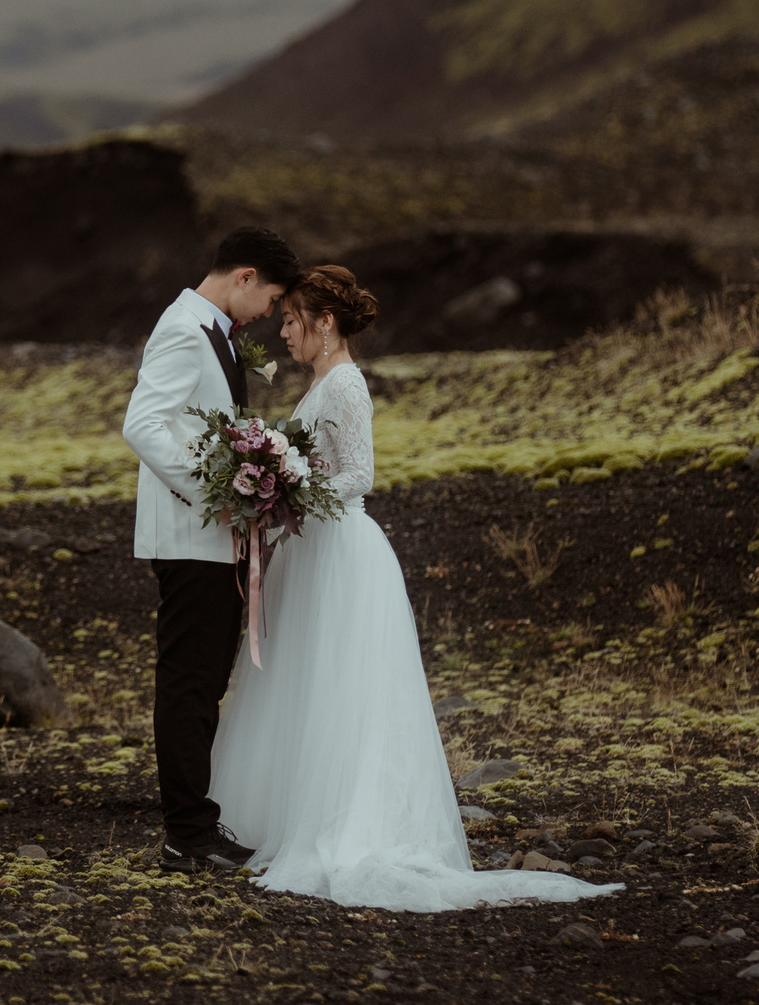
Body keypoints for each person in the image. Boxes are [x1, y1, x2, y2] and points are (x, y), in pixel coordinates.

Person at [208, 264, 623, 912]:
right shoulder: (320, 382)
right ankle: (287, 816)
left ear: (325, 323)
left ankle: (346, 820)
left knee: (341, 685)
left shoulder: (345, 383)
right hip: (310, 548)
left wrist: (293, 489)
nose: (283, 331)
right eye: (282, 319)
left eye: (292, 320)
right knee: (305, 682)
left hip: (340, 550)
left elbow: (361, 474)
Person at [119, 224, 301, 874]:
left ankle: (197, 824)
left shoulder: (212, 331)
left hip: (214, 540)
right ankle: (186, 834)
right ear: (245, 276)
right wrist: (220, 490)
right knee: (189, 684)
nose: (271, 315)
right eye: (272, 298)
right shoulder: (181, 328)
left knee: (204, 685)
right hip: (190, 538)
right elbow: (141, 423)